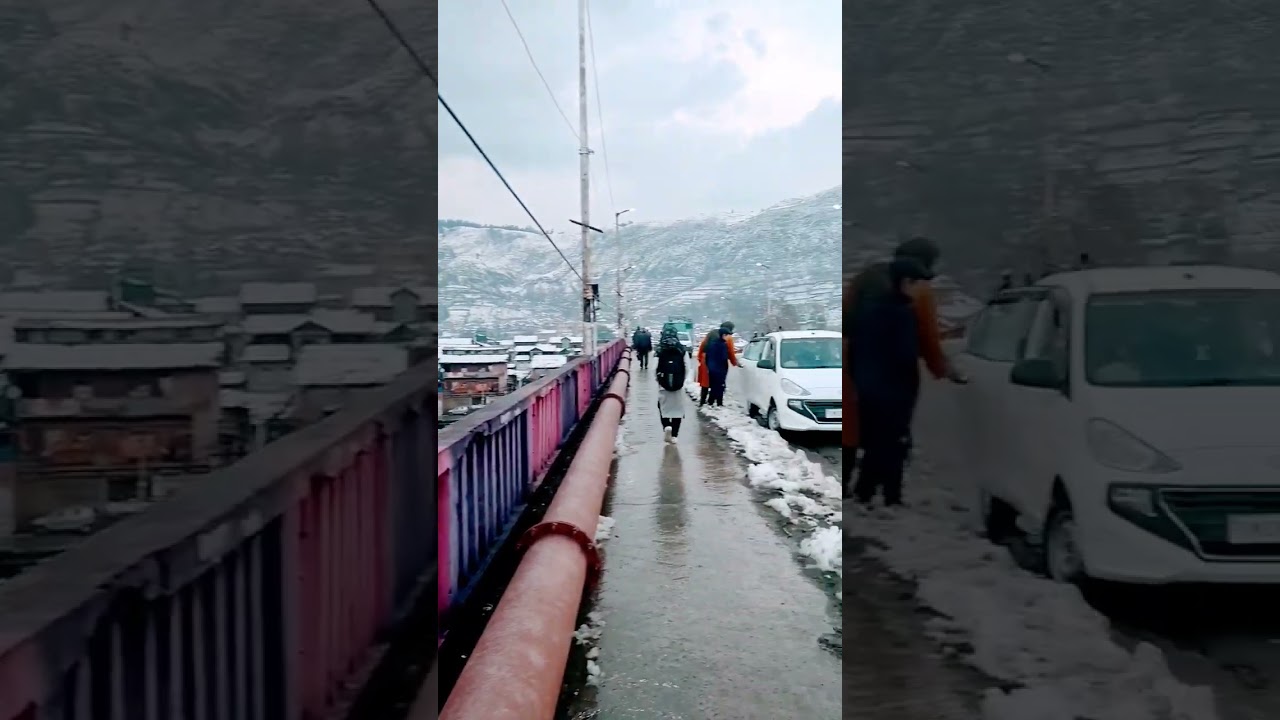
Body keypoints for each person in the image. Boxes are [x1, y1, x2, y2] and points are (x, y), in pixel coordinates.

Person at [843, 237, 966, 494]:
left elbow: (845, 320)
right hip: (897, 374)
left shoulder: (864, 278)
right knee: (891, 432)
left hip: (856, 366)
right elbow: (928, 338)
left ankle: (844, 485)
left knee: (854, 428)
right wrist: (945, 369)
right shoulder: (917, 288)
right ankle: (882, 491)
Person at [848, 257, 933, 506]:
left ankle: (870, 493)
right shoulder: (901, 314)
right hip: (893, 391)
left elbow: (855, 351)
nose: (923, 292)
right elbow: (905, 356)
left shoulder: (868, 311)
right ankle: (885, 496)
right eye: (919, 285)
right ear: (906, 282)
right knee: (892, 445)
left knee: (878, 443)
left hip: (869, 389)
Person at [653, 327, 688, 442]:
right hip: (678, 385)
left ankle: (667, 426)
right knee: (677, 410)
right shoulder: (682, 349)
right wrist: (682, 380)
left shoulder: (660, 349)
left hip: (663, 384)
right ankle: (674, 436)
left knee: (663, 407)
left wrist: (659, 380)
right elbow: (687, 366)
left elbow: (654, 367)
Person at [697, 321, 737, 406]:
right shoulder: (727, 337)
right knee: (718, 383)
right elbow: (730, 352)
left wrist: (700, 358)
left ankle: (702, 401)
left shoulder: (711, 333)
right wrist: (735, 363)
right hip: (719, 364)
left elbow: (702, 346)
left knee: (705, 383)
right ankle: (716, 402)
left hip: (706, 360)